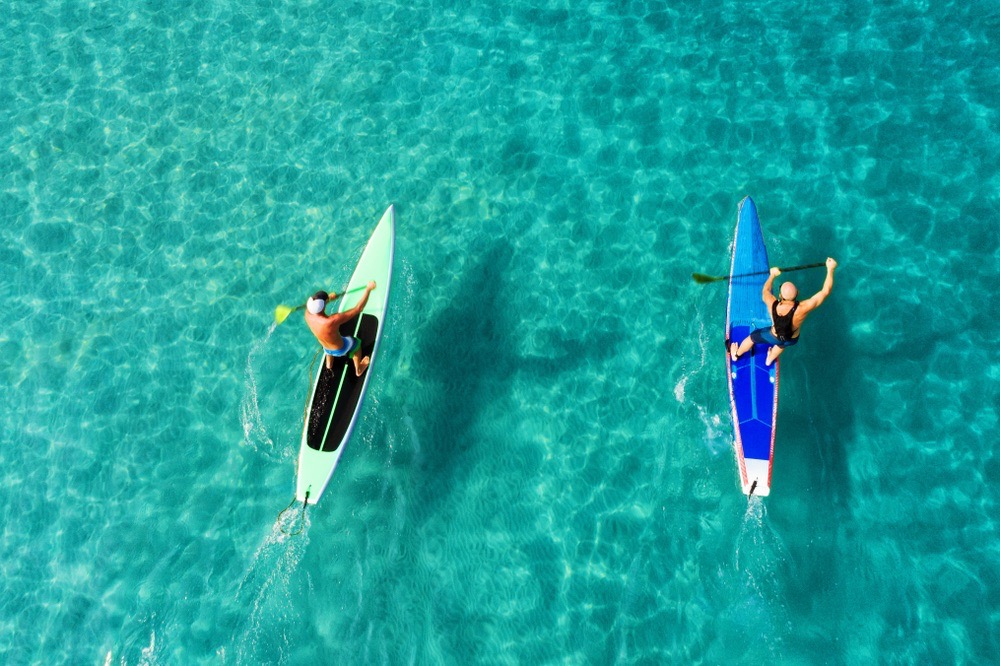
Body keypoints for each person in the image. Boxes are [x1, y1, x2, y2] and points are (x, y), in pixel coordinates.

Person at [730, 258, 837, 366]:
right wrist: (830, 269)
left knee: (752, 338)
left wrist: (772, 275)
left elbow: (765, 291)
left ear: (780, 295)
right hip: (792, 339)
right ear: (797, 293)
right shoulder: (803, 307)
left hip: (773, 336)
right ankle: (769, 359)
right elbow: (825, 291)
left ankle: (736, 355)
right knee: (782, 344)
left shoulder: (772, 303)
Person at [304, 281, 377, 376]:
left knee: (327, 347)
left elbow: (317, 307)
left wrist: (329, 298)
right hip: (341, 349)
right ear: (324, 304)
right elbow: (358, 308)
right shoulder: (331, 321)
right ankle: (359, 369)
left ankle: (329, 365)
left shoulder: (307, 314)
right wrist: (368, 289)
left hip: (326, 348)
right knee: (357, 344)